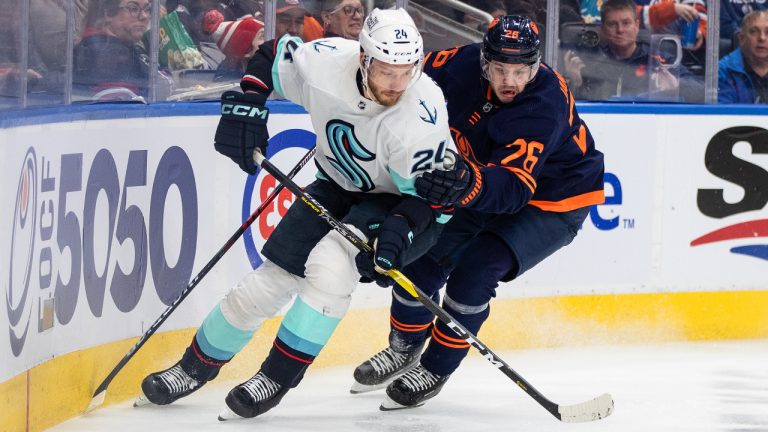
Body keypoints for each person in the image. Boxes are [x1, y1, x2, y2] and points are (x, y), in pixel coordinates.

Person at [137, 8, 456, 419]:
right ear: (362, 58)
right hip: (335, 185)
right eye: (385, 71)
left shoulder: (421, 114)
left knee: (332, 265)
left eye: (406, 71)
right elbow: (269, 57)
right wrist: (249, 104)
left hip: (400, 204)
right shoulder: (326, 60)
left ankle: (277, 376)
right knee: (269, 281)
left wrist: (404, 229)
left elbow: (439, 202)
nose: (396, 84)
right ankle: (194, 367)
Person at [350, 15, 605, 410]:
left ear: (536, 66)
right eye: (501, 69)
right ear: (484, 60)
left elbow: (515, 190)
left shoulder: (543, 104)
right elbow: (403, 74)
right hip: (480, 181)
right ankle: (404, 349)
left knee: (477, 271)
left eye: (521, 71)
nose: (510, 81)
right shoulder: (458, 64)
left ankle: (436, 368)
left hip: (553, 200)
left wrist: (465, 184)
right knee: (419, 262)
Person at [562, 0, 703, 102]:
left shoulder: (657, 59)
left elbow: (702, 91)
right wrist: (576, 83)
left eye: (626, 23)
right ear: (603, 29)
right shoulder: (591, 61)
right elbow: (573, 110)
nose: (620, 30)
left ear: (637, 25)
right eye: (612, 24)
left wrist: (677, 85)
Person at [73, 0, 172, 100]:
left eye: (147, 9)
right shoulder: (107, 56)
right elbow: (122, 109)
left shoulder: (123, 46)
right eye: (133, 8)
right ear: (108, 13)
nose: (144, 16)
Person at [718, 10, 768, 103]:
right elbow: (725, 113)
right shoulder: (724, 71)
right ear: (741, 39)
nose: (762, 38)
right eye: (754, 32)